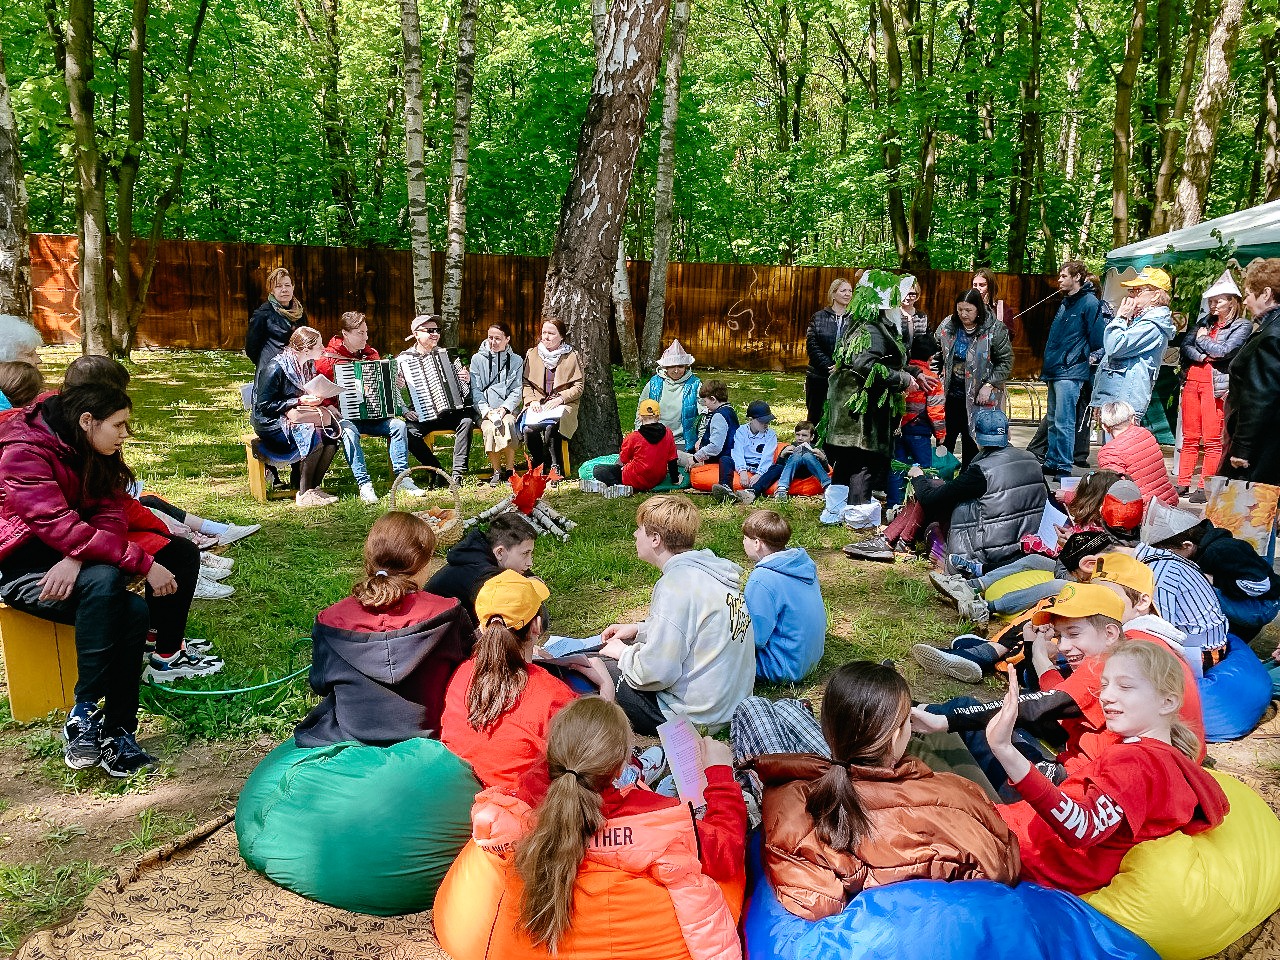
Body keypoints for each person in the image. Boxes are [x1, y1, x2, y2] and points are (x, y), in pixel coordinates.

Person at [447, 697, 745, 958]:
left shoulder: (517, 803)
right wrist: (719, 773)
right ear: (617, 770)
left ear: (552, 753)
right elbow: (728, 848)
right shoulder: (659, 821)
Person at [735, 662, 1018, 920]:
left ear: (829, 730)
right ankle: (793, 710)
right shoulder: (957, 792)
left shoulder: (792, 803)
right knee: (785, 710)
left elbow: (810, 900)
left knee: (752, 707)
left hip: (833, 773)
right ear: (897, 735)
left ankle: (789, 715)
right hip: (851, 774)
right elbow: (1005, 862)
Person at [0, 383, 169, 776]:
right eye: (120, 425)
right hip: (22, 566)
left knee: (129, 605)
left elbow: (111, 514)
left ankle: (109, 726)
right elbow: (56, 525)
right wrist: (143, 563)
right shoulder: (22, 453)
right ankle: (94, 712)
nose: (126, 434)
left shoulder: (93, 445)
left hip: (72, 559)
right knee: (116, 591)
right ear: (87, 421)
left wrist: (74, 557)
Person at [911, 582, 1206, 792]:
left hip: (1065, 788)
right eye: (1060, 636)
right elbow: (1061, 705)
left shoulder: (1106, 665)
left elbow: (1042, 705)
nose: (1063, 647)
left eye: (1074, 633)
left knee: (964, 725)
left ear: (1110, 633)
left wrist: (947, 720)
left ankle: (900, 717)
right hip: (1073, 778)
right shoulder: (1123, 659)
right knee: (985, 718)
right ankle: (907, 712)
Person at [988, 642, 1228, 895]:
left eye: (1124, 686)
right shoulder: (1166, 762)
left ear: (1167, 702)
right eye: (1104, 685)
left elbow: (1083, 828)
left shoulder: (1138, 763)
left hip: (1019, 856)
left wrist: (1005, 750)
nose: (1106, 696)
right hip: (1016, 839)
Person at [294, 512, 468, 747]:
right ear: (423, 563)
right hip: (430, 737)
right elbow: (469, 673)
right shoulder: (449, 612)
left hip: (352, 738)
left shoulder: (330, 619)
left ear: (370, 558)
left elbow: (319, 684)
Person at [596, 495, 755, 735]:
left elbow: (657, 673)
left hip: (695, 717)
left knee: (595, 665)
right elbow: (694, 629)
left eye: (639, 529)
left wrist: (623, 653)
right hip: (730, 706)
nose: (634, 535)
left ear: (655, 539)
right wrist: (640, 630)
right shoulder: (712, 573)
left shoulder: (675, 585)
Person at [440, 571, 607, 792]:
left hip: (468, 798)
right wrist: (606, 691)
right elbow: (593, 755)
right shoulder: (552, 693)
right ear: (536, 626)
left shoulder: (461, 674)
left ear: (482, 628)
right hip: (530, 808)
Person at [904, 407, 1046, 576]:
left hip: (988, 551)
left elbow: (929, 499)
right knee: (937, 486)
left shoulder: (982, 471)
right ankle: (897, 540)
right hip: (1024, 543)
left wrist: (918, 477)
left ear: (976, 438)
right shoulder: (1032, 460)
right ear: (1009, 435)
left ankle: (900, 540)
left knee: (932, 524)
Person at [822, 274, 912, 511]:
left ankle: (837, 510)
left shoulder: (864, 322)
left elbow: (883, 359)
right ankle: (858, 514)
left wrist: (913, 372)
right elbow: (865, 365)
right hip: (862, 416)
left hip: (853, 409)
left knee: (847, 461)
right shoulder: (872, 328)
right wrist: (903, 379)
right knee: (862, 462)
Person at [315, 311, 425, 504]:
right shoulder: (327, 360)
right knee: (348, 432)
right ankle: (364, 484)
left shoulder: (371, 354)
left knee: (398, 426)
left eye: (366, 332)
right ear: (345, 333)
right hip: (346, 418)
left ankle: (403, 479)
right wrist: (328, 407)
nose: (366, 337)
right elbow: (316, 390)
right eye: (360, 333)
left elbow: (383, 386)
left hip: (374, 417)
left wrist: (394, 382)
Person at [1146, 507, 1280, 642]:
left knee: (1198, 585)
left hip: (1263, 606)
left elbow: (1261, 584)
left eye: (1168, 551)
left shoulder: (1221, 550)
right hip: (1248, 600)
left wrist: (1213, 580)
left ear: (1187, 545)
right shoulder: (1201, 546)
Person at [1177, 271, 1250, 501]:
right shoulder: (1204, 322)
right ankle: (1182, 482)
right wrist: (1203, 356)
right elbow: (1184, 347)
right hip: (1192, 381)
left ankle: (1204, 486)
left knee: (1211, 438)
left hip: (1215, 386)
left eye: (1218, 300)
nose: (1213, 305)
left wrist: (1202, 341)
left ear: (1232, 301)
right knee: (1189, 436)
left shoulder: (1242, 326)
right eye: (1211, 300)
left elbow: (1225, 351)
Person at [251, 325, 341, 508]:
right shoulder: (275, 368)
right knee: (313, 436)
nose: (324, 348)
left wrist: (321, 398)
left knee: (331, 436)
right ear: (306, 349)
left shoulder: (306, 365)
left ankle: (313, 488)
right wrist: (298, 401)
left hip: (294, 416)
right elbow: (264, 406)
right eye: (319, 345)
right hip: (270, 422)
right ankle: (303, 492)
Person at [1036, 261, 1106, 480]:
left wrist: (1079, 355)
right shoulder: (1066, 302)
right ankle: (1052, 460)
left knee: (1065, 420)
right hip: (1055, 369)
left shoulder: (1089, 302)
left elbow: (1097, 339)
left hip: (1071, 370)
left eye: (1064, 276)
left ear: (1077, 277)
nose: (1059, 280)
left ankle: (1064, 466)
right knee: (1054, 418)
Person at [742, 510, 826, 682]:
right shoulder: (802, 565)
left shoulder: (762, 579)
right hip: (809, 658)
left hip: (780, 666)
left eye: (745, 538)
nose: (743, 542)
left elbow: (755, 638)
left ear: (757, 543)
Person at [937, 289, 1013, 469]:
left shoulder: (995, 329)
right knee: (944, 441)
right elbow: (936, 351)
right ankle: (941, 482)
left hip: (980, 398)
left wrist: (989, 384)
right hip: (951, 395)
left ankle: (968, 480)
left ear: (978, 309)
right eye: (960, 309)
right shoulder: (948, 325)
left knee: (972, 443)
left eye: (968, 310)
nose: (963, 314)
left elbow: (1006, 362)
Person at [397, 313, 476, 484]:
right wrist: (404, 410)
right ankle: (438, 471)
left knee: (467, 421)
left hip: (448, 412)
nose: (435, 334)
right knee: (408, 432)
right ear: (416, 334)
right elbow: (392, 390)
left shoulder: (446, 355)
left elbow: (462, 390)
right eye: (430, 330)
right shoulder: (404, 359)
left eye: (437, 330)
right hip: (422, 413)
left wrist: (466, 379)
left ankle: (457, 474)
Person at [1221, 257, 1280, 483]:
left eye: (1248, 293)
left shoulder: (1271, 336)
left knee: (1244, 514)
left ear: (1266, 294)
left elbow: (1260, 397)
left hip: (1264, 448)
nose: (1244, 301)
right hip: (1269, 443)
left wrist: (1242, 448)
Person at [426, 511, 539, 628]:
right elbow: (523, 620)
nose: (530, 563)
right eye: (525, 553)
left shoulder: (482, 554)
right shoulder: (482, 575)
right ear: (500, 552)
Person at [1091, 267, 1175, 423]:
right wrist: (1101, 399)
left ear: (1156, 295)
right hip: (1116, 399)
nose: (1131, 295)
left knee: (1121, 447)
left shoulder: (1153, 325)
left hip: (1126, 401)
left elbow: (1114, 347)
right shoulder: (1138, 320)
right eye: (1131, 290)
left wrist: (1121, 317)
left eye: (1137, 290)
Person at [888, 332, 945, 509]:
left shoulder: (900, 372)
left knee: (897, 466)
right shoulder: (932, 378)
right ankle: (921, 507)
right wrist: (940, 433)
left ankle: (894, 505)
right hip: (919, 430)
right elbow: (936, 409)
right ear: (932, 357)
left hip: (896, 428)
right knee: (924, 468)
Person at [522, 318, 583, 477]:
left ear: (561, 336)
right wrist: (532, 400)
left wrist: (560, 399)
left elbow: (578, 387)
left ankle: (556, 467)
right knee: (528, 430)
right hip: (538, 404)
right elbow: (525, 383)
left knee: (552, 428)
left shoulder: (571, 356)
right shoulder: (532, 354)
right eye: (544, 333)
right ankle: (539, 462)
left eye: (551, 333)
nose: (546, 337)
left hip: (562, 404)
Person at [469, 320, 524, 486]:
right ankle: (496, 471)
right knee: (489, 428)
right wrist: (487, 412)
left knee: (507, 424)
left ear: (507, 339)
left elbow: (517, 389)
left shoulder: (516, 360)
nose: (493, 342)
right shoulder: (477, 359)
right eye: (490, 337)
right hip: (484, 410)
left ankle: (509, 469)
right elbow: (475, 390)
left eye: (498, 338)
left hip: (507, 409)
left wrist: (504, 409)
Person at [1095, 401, 1178, 507]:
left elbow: (1116, 492)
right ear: (1133, 419)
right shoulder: (1146, 434)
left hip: (1140, 511)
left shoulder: (1109, 452)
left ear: (1105, 427)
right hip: (1167, 502)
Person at [592, 398, 678, 494]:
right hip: (657, 478)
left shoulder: (633, 437)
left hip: (634, 479)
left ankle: (617, 486)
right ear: (658, 416)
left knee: (598, 469)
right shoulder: (668, 433)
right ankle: (614, 486)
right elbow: (672, 459)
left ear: (640, 417)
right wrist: (675, 480)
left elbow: (624, 459)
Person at [245, 267, 306, 387]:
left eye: (287, 285)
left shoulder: (300, 312)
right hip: (271, 371)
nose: (284, 289)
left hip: (296, 370)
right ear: (271, 290)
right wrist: (267, 361)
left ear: (293, 287)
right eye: (278, 286)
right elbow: (251, 347)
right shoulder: (263, 314)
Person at [804, 277, 854, 425]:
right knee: (816, 416)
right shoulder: (819, 317)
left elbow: (858, 347)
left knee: (840, 417)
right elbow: (812, 345)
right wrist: (829, 366)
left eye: (850, 291)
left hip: (845, 376)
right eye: (843, 290)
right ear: (833, 294)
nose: (847, 294)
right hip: (818, 376)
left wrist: (842, 365)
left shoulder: (856, 319)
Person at [638, 340, 702, 452]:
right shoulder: (653, 384)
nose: (676, 370)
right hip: (654, 438)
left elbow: (704, 414)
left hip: (683, 442)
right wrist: (639, 435)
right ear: (665, 367)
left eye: (680, 366)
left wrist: (701, 438)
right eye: (672, 366)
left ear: (686, 367)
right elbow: (641, 410)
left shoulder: (695, 385)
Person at [713, 400, 779, 504]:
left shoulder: (771, 435)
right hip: (744, 463)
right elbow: (737, 451)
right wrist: (742, 471)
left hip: (759, 465)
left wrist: (759, 474)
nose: (766, 424)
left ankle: (752, 492)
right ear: (751, 419)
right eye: (762, 421)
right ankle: (726, 488)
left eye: (768, 421)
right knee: (725, 459)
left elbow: (768, 456)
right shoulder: (741, 431)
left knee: (777, 468)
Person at [691, 380, 737, 481]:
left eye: (705, 401)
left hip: (716, 460)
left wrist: (695, 458)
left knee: (678, 456)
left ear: (713, 399)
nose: (705, 405)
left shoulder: (719, 416)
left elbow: (715, 447)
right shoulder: (730, 410)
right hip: (728, 456)